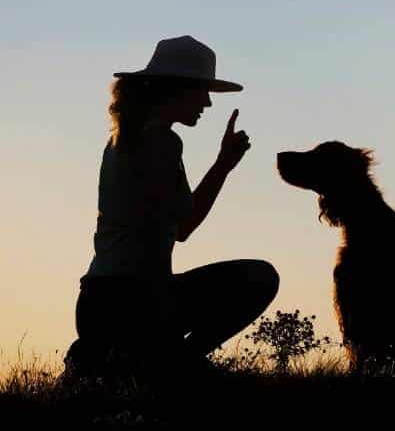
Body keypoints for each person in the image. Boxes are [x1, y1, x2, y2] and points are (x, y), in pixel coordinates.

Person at [64, 35, 279, 384]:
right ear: (175, 90)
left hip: (98, 303)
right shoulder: (162, 141)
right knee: (260, 278)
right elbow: (185, 228)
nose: (208, 103)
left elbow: (177, 227)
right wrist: (223, 166)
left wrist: (222, 164)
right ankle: (174, 361)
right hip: (139, 301)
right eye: (201, 91)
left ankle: (116, 355)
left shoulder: (122, 139)